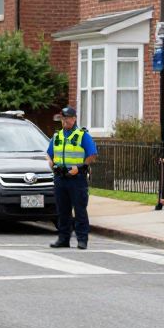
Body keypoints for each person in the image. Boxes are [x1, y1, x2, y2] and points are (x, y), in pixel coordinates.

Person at [47, 106, 97, 249]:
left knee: (80, 210)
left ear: (74, 119)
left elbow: (92, 154)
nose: (64, 121)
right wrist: (50, 162)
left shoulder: (82, 135)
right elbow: (49, 153)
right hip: (60, 177)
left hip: (76, 178)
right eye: (62, 118)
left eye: (67, 118)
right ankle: (63, 239)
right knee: (62, 210)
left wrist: (80, 167)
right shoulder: (57, 136)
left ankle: (82, 239)